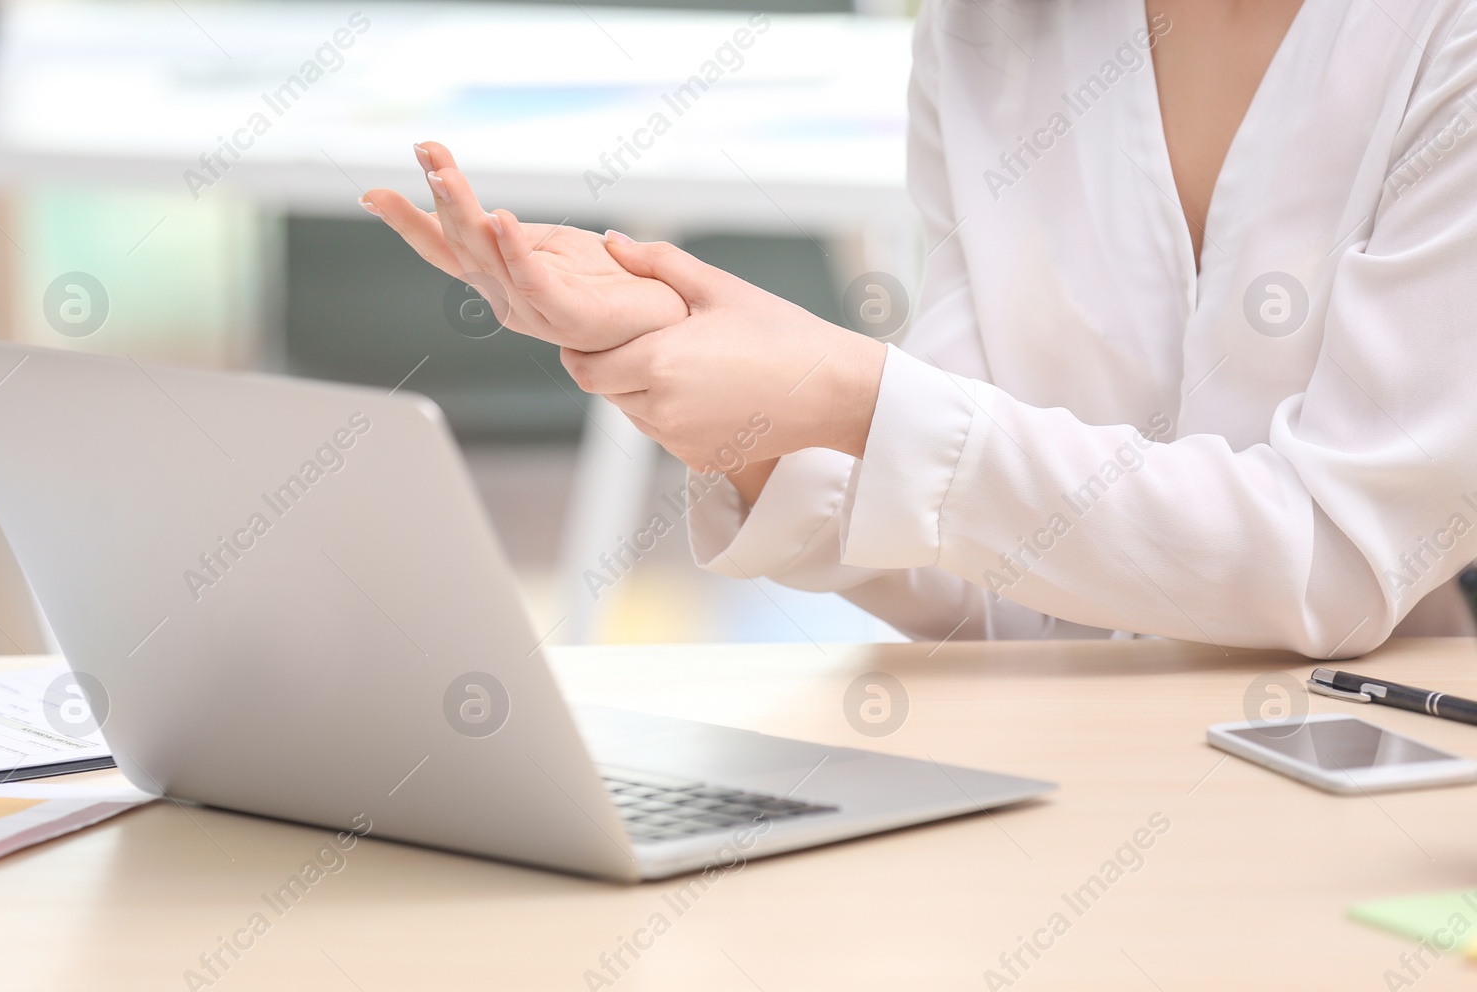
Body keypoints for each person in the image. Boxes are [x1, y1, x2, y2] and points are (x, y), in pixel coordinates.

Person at [359, 0, 1477, 658]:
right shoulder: (985, 28)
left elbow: (1338, 558)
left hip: (1364, 798)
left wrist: (847, 394)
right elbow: (978, 580)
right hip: (1061, 782)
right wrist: (729, 388)